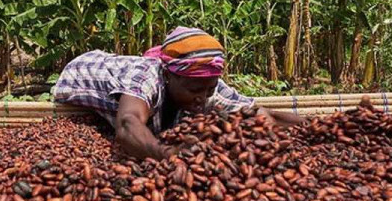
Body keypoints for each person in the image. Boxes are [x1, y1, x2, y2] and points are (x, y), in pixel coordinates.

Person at [52, 27, 307, 161]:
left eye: (209, 89)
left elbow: (259, 114)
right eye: (195, 90)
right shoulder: (146, 78)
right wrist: (167, 154)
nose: (203, 97)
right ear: (169, 75)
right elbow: (127, 125)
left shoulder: (206, 85)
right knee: (144, 120)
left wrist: (319, 126)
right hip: (81, 71)